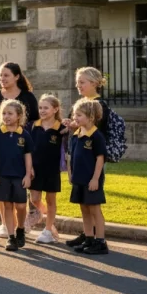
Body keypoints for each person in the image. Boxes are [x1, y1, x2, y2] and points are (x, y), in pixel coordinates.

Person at [0, 62, 39, 238]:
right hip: (1, 150)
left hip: (22, 150)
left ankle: (24, 221)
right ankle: (6, 225)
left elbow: (36, 126)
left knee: (22, 187)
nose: (2, 79)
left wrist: (32, 158)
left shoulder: (28, 97)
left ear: (16, 76)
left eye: (6, 75)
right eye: (0, 75)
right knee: (2, 188)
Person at [62, 66, 110, 248]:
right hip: (80, 164)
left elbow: (97, 133)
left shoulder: (99, 105)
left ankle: (99, 239)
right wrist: (72, 125)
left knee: (93, 204)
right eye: (77, 82)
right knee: (83, 204)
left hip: (92, 162)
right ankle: (88, 236)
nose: (78, 85)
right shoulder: (81, 103)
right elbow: (78, 126)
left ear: (94, 83)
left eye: (82, 82)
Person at [0, 99, 34, 252]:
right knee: (7, 205)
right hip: (2, 175)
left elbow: (28, 156)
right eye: (4, 113)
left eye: (10, 113)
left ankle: (20, 229)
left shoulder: (24, 135)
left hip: (19, 176)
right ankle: (11, 237)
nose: (6, 116)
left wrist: (27, 174)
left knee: (20, 206)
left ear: (19, 116)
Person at [67, 98, 109, 255]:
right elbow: (71, 157)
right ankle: (89, 238)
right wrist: (71, 175)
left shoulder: (96, 136)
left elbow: (100, 158)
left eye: (79, 115)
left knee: (94, 209)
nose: (75, 118)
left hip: (91, 180)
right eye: (74, 115)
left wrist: (95, 179)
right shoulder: (76, 135)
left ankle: (100, 241)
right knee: (84, 208)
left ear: (90, 117)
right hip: (79, 178)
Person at [29, 94, 65, 244]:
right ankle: (51, 223)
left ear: (55, 109)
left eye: (46, 108)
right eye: (40, 107)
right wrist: (29, 166)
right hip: (34, 170)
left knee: (51, 200)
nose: (42, 111)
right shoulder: (32, 126)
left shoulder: (61, 128)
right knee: (34, 199)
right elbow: (27, 149)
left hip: (52, 170)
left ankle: (48, 229)